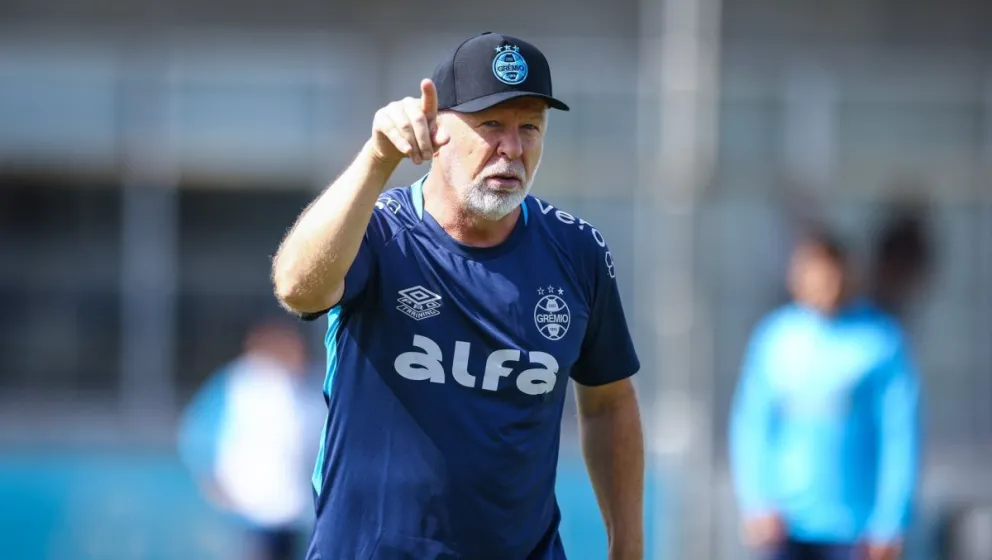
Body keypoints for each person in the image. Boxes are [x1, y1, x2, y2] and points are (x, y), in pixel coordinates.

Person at [271, 32, 644, 560]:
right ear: (436, 128)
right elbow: (296, 288)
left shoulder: (577, 251)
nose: (512, 148)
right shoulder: (379, 233)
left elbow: (609, 402)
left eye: (529, 128)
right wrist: (377, 159)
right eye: (491, 125)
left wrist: (628, 546)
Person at [728, 229, 922, 560]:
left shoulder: (881, 341)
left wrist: (891, 520)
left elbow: (900, 437)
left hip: (855, 531)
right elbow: (752, 424)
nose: (822, 283)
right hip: (785, 526)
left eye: (829, 274)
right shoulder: (775, 339)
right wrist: (756, 501)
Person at [177, 319, 322, 560]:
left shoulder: (314, 383)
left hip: (306, 511)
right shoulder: (237, 382)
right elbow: (197, 434)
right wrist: (212, 482)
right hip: (254, 510)